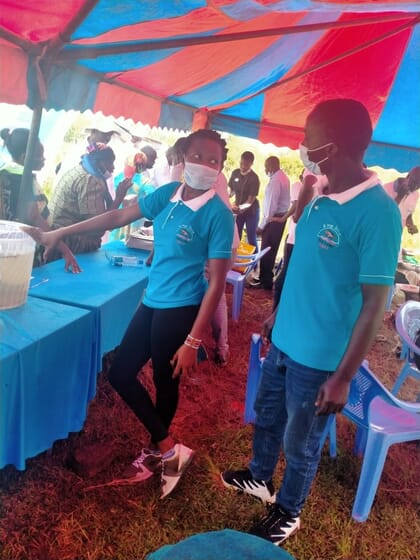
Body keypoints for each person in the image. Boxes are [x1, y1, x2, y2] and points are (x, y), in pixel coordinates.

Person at [221, 99, 402, 546]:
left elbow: (375, 303)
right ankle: (260, 478)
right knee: (267, 417)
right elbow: (305, 265)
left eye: (310, 141)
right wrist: (279, 313)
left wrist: (342, 378)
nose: (303, 147)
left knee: (301, 441)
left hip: (320, 357)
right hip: (285, 338)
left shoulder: (378, 213)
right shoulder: (321, 195)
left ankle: (288, 510)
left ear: (333, 148)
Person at [25, 129, 234, 499]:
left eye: (213, 161)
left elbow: (217, 283)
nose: (204, 165)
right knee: (121, 373)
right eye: (198, 156)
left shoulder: (218, 215)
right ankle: (169, 449)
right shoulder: (168, 195)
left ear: (220, 169)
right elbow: (118, 215)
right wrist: (60, 232)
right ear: (184, 156)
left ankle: (161, 451)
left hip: (181, 308)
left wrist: (193, 340)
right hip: (152, 299)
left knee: (165, 380)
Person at [0, 128, 79, 272]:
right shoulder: (23, 178)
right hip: (26, 245)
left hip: (7, 245)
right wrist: (62, 247)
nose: (44, 159)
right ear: (25, 157)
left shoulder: (5, 172)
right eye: (40, 156)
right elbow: (34, 216)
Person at [49, 143, 132, 256]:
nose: (113, 168)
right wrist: (119, 197)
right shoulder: (90, 181)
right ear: (99, 163)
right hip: (69, 241)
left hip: (56, 234)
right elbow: (99, 226)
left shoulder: (80, 169)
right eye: (110, 163)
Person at [249, 156, 290, 290]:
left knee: (267, 250)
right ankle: (265, 278)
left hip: (274, 219)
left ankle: (265, 281)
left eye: (266, 166)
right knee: (271, 250)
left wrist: (261, 226)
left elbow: (270, 208)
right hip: (278, 218)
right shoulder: (283, 177)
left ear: (271, 166)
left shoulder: (276, 181)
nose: (265, 169)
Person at [229, 151, 260, 249]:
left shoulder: (254, 178)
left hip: (251, 211)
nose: (243, 166)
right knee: (236, 235)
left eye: (246, 164)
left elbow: (250, 201)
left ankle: (253, 263)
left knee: (251, 237)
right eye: (241, 163)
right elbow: (231, 190)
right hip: (238, 209)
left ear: (251, 164)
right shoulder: (235, 173)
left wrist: (239, 209)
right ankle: (236, 259)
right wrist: (226, 199)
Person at [383, 166, 420, 235]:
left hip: (397, 233)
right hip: (382, 232)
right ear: (408, 176)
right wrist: (399, 196)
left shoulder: (415, 194)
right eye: (414, 182)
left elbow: (408, 214)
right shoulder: (386, 189)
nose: (415, 187)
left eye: (419, 185)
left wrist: (410, 225)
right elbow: (383, 214)